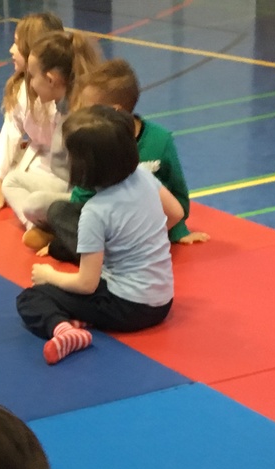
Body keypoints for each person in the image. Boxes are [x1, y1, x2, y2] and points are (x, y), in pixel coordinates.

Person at [17, 106, 174, 365]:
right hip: (163, 301)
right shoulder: (144, 177)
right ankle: (80, 318)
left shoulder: (96, 211)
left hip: (128, 308)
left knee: (31, 297)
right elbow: (175, 213)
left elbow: (86, 284)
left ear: (83, 166)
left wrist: (49, 276)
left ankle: (63, 330)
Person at [43, 59, 208, 262]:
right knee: (59, 211)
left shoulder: (160, 140)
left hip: (140, 227)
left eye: (89, 108)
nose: (83, 114)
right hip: (102, 223)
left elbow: (177, 192)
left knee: (62, 244)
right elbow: (81, 196)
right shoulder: (94, 143)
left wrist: (177, 230)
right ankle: (88, 249)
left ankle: (92, 253)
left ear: (115, 110)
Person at [7, 30, 102, 247]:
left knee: (34, 204)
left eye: (32, 76)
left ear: (50, 79)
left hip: (91, 198)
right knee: (12, 180)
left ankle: (61, 231)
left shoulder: (79, 119)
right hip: (70, 185)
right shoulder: (64, 106)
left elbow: (90, 183)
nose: (30, 84)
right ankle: (42, 229)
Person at [0, 13, 64, 214]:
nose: (11, 50)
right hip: (37, 159)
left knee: (11, 186)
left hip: (59, 170)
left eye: (17, 44)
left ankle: (43, 211)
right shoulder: (21, 88)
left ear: (33, 51)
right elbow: (9, 134)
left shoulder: (58, 93)